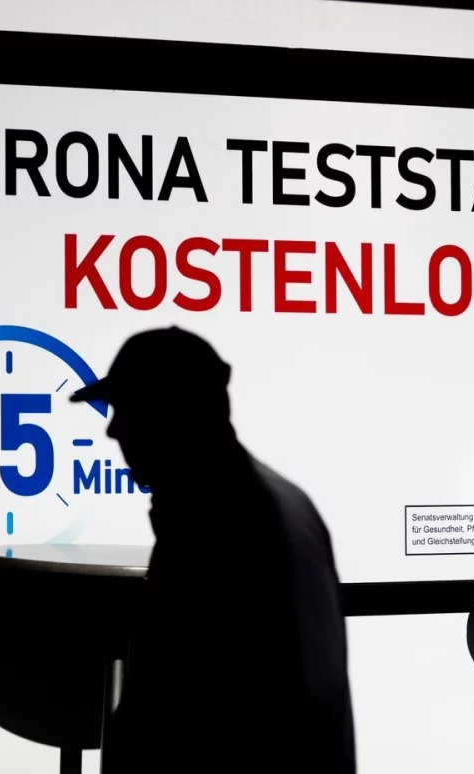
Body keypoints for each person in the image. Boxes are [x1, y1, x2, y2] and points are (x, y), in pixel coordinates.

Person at [70, 327, 355, 774]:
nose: (113, 429)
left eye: (128, 408)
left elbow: (185, 710)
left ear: (174, 412)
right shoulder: (274, 502)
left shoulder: (216, 522)